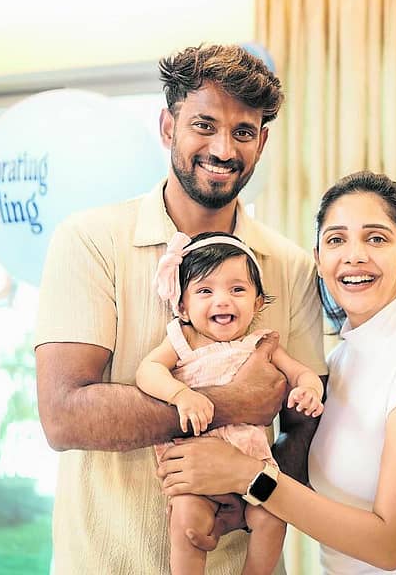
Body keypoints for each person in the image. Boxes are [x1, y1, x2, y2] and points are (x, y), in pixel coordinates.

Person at [34, 44, 327, 575]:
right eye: (204, 125)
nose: (223, 148)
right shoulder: (89, 241)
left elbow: (304, 427)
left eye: (243, 132)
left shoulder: (290, 265)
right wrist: (232, 402)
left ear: (261, 143)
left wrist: (254, 494)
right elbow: (64, 415)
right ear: (168, 127)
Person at [158, 171, 396, 574]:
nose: (354, 256)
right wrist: (232, 504)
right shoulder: (340, 361)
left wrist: (248, 475)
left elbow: (390, 545)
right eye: (336, 240)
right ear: (318, 259)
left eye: (376, 238)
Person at [138, 231, 325, 574]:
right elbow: (147, 371)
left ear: (257, 302)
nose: (223, 301)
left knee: (272, 517)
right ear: (182, 305)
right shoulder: (183, 340)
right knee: (188, 521)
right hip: (193, 464)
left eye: (237, 290)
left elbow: (302, 373)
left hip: (252, 462)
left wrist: (308, 390)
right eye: (205, 291)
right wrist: (180, 395)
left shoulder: (261, 344)